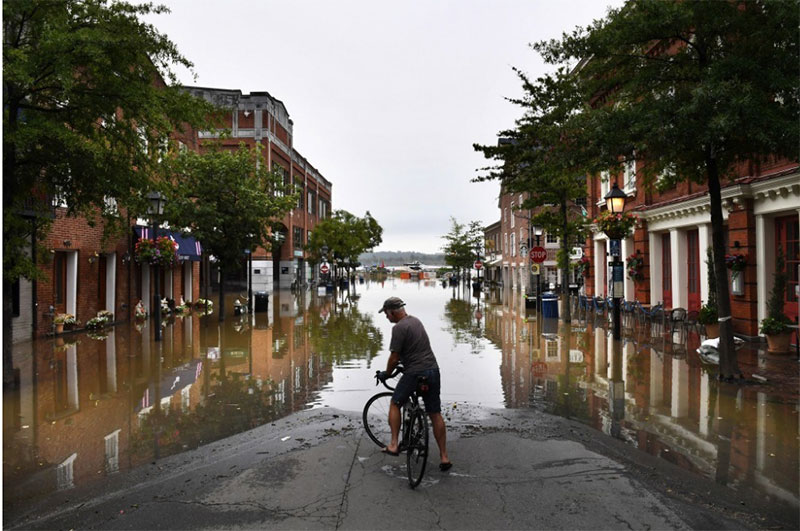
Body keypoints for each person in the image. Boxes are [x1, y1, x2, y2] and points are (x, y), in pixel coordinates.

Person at [378, 296, 452, 471]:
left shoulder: (398, 328)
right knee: (435, 413)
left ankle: (394, 444)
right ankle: (444, 457)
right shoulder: (416, 321)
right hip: (432, 369)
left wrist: (387, 374)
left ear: (393, 312)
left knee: (395, 402)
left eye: (387, 314)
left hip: (415, 372)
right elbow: (415, 348)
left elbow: (394, 357)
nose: (386, 317)